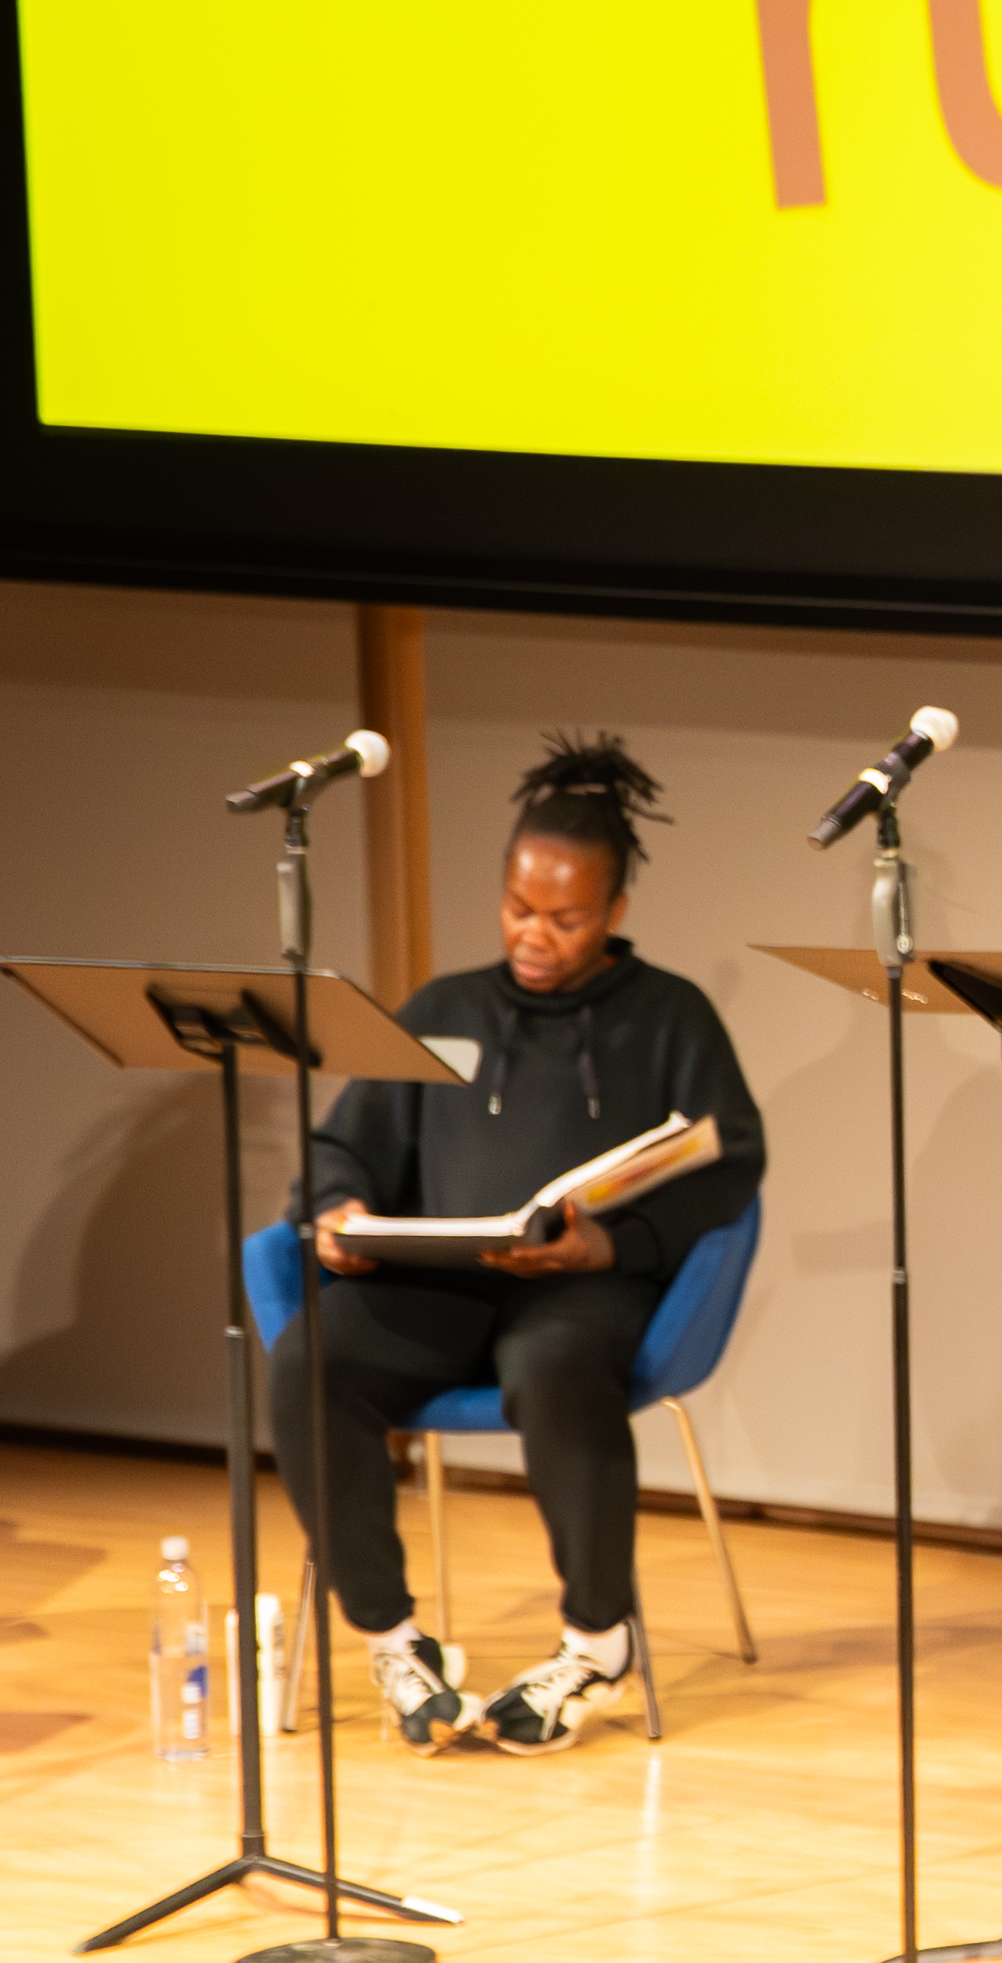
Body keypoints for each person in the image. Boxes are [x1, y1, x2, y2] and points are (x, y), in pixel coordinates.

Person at [287, 735, 767, 1752]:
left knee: (554, 1363)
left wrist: (615, 1243)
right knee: (310, 1357)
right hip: (446, 1285)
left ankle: (597, 1642)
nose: (532, 933)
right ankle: (394, 1637)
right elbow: (342, 1145)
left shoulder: (670, 1016)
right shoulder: (443, 1010)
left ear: (614, 913)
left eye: (564, 915)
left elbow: (733, 1165)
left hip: (579, 1288)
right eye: (516, 905)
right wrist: (336, 1209)